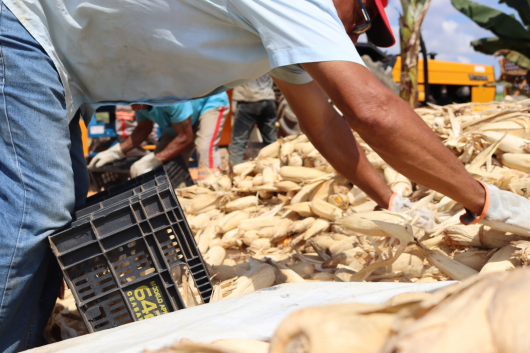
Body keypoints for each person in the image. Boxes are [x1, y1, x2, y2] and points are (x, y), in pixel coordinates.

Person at [2, 0, 530, 350]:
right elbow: (371, 109)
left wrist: (390, 199)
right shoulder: (297, 1)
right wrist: (486, 201)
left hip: (59, 59)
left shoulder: (286, 28)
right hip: (27, 30)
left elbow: (325, 123)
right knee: (38, 212)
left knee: (55, 214)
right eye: (363, 16)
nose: (355, 31)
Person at [89, 94, 229, 176]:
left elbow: (186, 137)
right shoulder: (141, 105)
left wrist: (155, 159)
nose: (130, 107)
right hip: (182, 121)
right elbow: (143, 130)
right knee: (162, 160)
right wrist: (117, 152)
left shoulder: (169, 100)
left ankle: (215, 192)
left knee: (204, 147)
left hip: (209, 103)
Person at [229, 74, 277, 165]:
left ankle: (234, 173)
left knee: (238, 143)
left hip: (247, 99)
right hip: (268, 99)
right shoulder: (267, 59)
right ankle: (276, 170)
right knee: (272, 143)